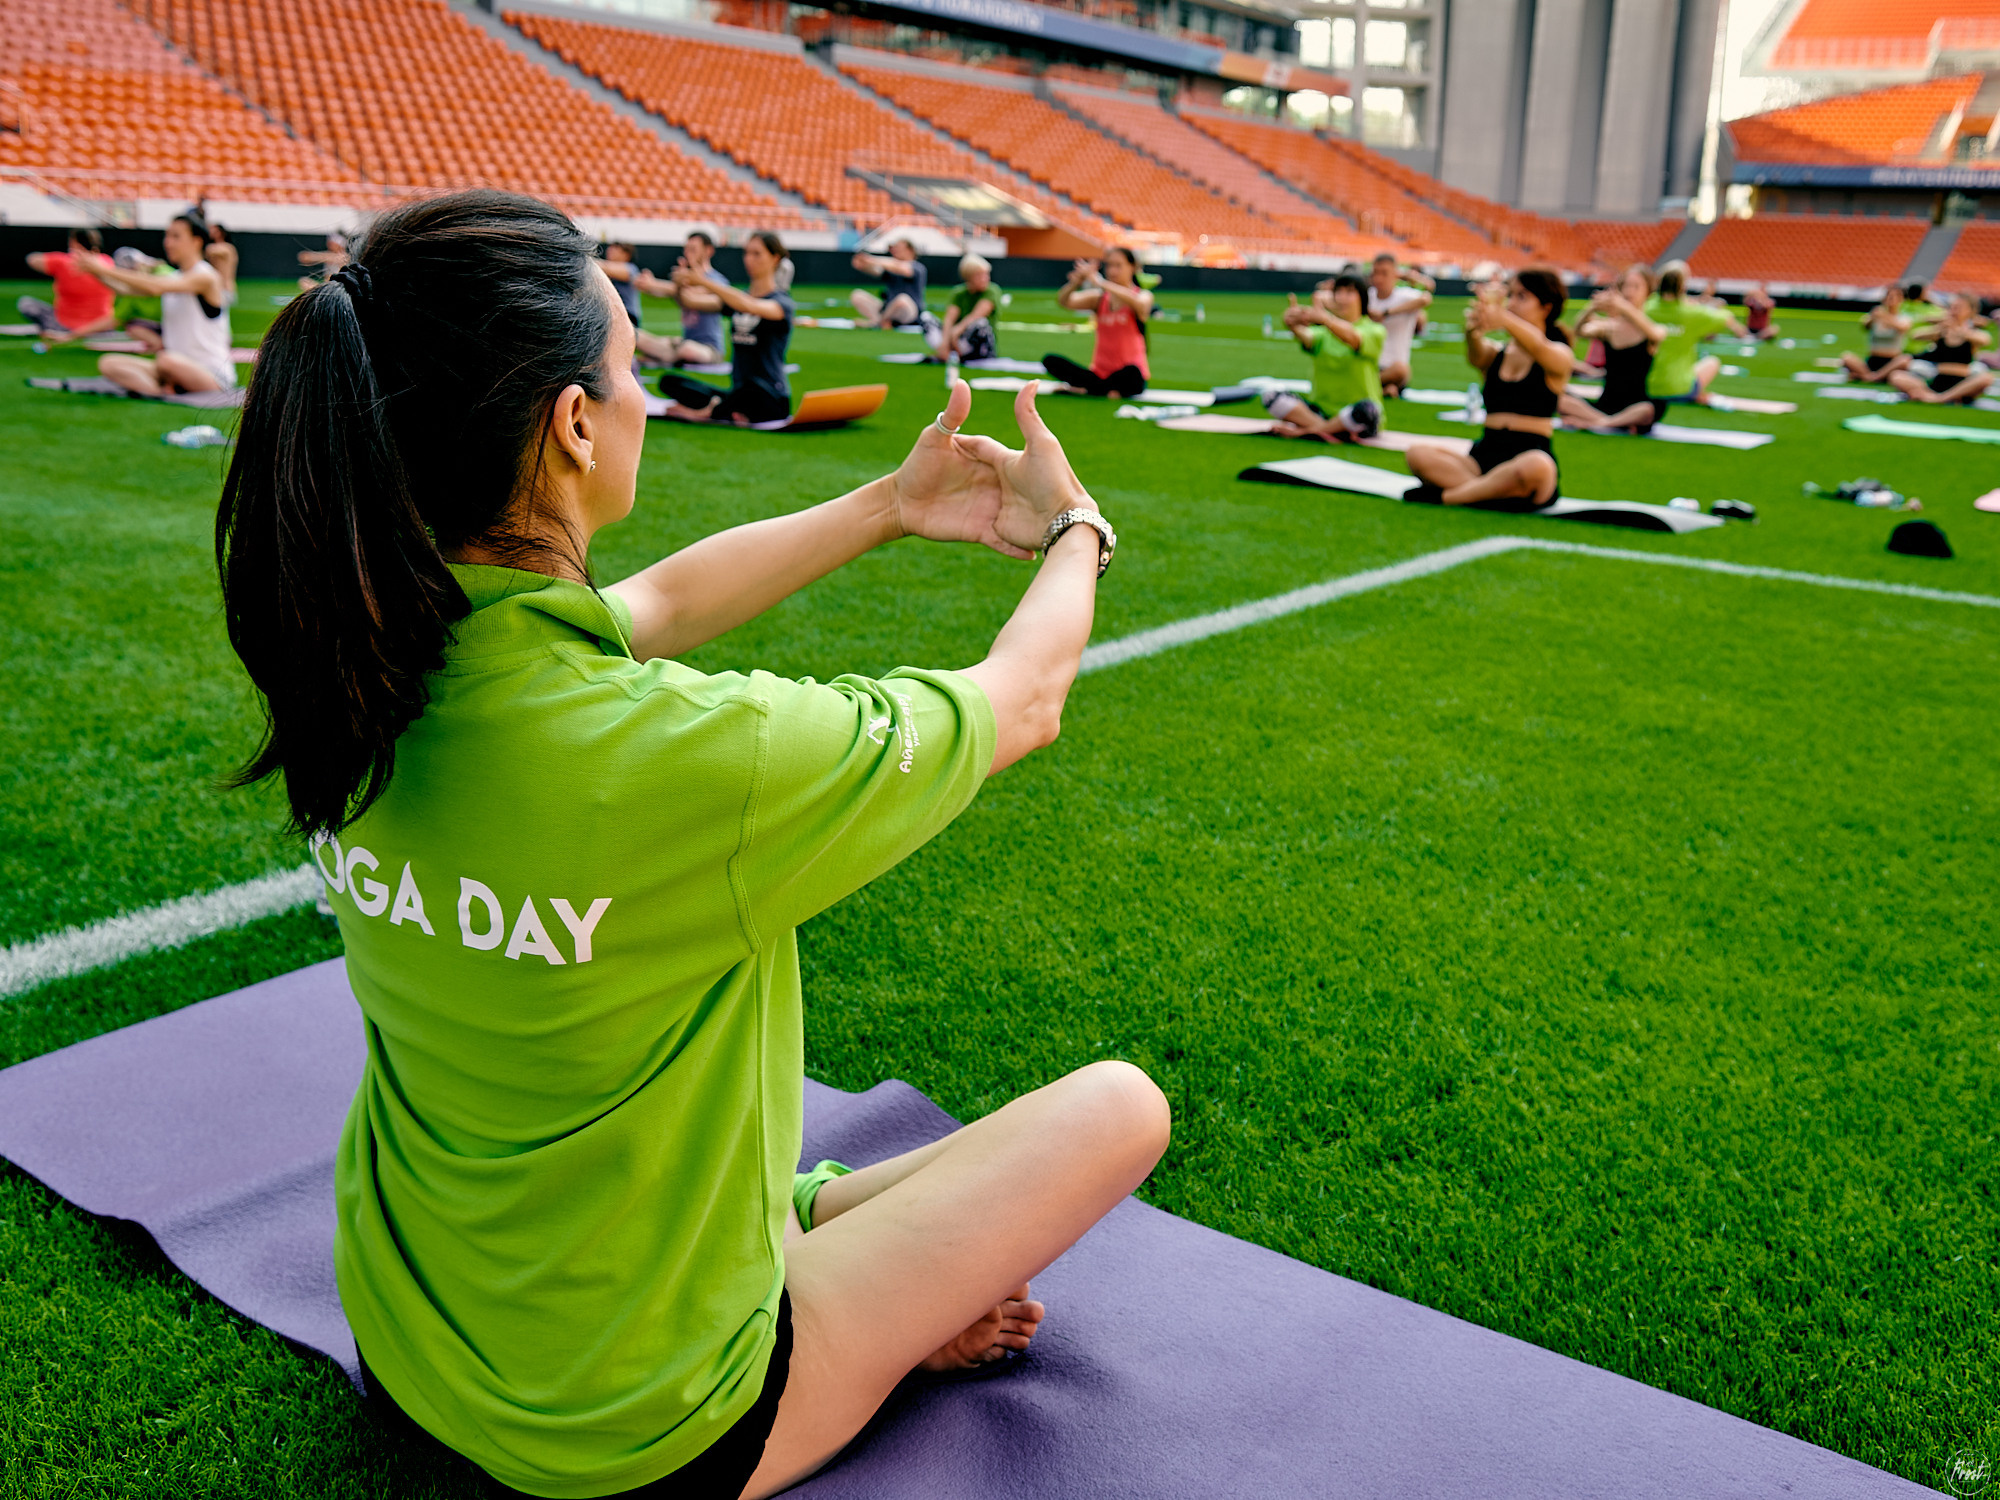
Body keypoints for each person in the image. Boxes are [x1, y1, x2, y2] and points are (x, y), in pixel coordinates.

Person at [214, 185, 1167, 1500]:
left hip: (417, 1346)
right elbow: (1025, 701)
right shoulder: (696, 761)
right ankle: (835, 1278)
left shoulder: (354, 666)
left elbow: (651, 601)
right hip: (634, 1431)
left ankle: (797, 1218)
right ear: (570, 423)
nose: (649, 392)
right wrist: (1076, 530)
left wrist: (891, 506)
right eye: (630, 364)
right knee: (1122, 1108)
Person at [1405, 267, 1573, 510]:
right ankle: (1492, 493)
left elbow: (1537, 346)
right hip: (1484, 456)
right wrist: (1475, 326)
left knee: (1538, 466)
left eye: (1521, 297)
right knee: (1417, 454)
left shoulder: (1558, 353)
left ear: (1546, 308)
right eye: (1511, 295)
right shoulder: (1497, 354)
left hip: (1528, 455)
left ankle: (1449, 497)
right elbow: (1475, 354)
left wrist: (1503, 317)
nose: (1512, 303)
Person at [79, 209, 234, 395]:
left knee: (165, 360)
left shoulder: (205, 277)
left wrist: (105, 269)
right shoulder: (176, 277)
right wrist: (95, 270)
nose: (168, 243)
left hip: (211, 375)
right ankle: (164, 391)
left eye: (176, 237)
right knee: (109, 364)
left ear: (196, 241)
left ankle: (166, 388)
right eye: (167, 236)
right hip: (172, 368)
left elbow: (155, 287)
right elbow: (127, 289)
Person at [657, 230, 795, 427]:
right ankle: (725, 409)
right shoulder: (737, 300)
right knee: (670, 382)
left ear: (775, 258)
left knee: (751, 389)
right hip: (738, 392)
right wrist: (681, 285)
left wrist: (704, 281)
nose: (749, 259)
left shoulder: (781, 303)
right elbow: (690, 301)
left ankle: (708, 412)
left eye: (757, 254)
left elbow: (749, 305)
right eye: (747, 253)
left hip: (769, 396)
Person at [1260, 274, 1383, 442]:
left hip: (1354, 413)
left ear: (1362, 297)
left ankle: (1307, 431)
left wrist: (1326, 319)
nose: (1342, 298)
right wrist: (1291, 323)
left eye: (1349, 292)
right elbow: (1307, 337)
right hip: (1320, 412)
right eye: (1338, 292)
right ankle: (1331, 430)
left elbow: (1353, 339)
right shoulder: (1324, 333)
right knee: (1270, 395)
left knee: (1368, 409)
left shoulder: (1374, 330)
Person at [1556, 265, 1662, 434]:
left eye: (1636, 286)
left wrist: (1622, 307)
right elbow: (1578, 330)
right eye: (1626, 286)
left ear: (1648, 292)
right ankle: (1607, 422)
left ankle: (1600, 423)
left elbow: (1657, 335)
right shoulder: (1609, 328)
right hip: (1605, 404)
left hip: (1634, 406)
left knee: (1648, 409)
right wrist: (1592, 307)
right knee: (1559, 398)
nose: (1630, 291)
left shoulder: (1650, 329)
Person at [1044, 248, 1152, 397]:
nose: (1113, 271)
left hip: (1127, 375)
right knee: (1050, 361)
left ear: (1133, 267)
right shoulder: (1099, 299)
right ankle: (1104, 390)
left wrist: (1101, 282)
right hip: (1100, 373)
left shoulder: (1142, 296)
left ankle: (1088, 389)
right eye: (1110, 265)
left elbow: (1141, 305)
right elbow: (1064, 301)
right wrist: (1075, 283)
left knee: (1133, 374)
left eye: (1118, 265)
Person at [1643, 261, 1742, 409]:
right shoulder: (1691, 312)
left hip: (1645, 388)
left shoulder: (1647, 307)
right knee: (1712, 362)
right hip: (1681, 389)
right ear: (1683, 285)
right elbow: (1726, 317)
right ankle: (1699, 394)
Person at [632, 229, 727, 367]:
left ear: (708, 251)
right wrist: (649, 285)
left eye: (693, 249)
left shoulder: (717, 281)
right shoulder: (683, 279)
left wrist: (657, 284)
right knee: (634, 336)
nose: (688, 253)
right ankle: (665, 356)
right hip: (682, 343)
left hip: (709, 350)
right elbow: (666, 293)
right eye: (687, 249)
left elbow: (692, 296)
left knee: (687, 349)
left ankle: (662, 357)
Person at [1889, 294, 1994, 405]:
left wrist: (1959, 331)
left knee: (1986, 378)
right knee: (1896, 376)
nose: (1954, 311)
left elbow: (1985, 340)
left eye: (1959, 307)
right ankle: (1937, 396)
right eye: (1952, 307)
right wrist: (1939, 328)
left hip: (1962, 381)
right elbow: (1915, 335)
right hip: (1939, 379)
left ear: (1970, 311)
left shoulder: (1972, 333)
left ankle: (1941, 398)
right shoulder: (1942, 331)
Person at [17, 227, 118, 343]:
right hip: (101, 326)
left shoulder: (63, 262)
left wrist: (64, 258)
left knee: (26, 303)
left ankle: (56, 331)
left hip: (66, 325)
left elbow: (32, 259)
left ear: (73, 242)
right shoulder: (108, 261)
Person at [1366, 253, 1433, 398]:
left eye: (1384, 273)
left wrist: (1388, 313)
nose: (1379, 278)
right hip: (1369, 363)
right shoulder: (1367, 296)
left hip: (1392, 368)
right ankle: (1383, 389)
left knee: (1402, 370)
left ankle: (1368, 385)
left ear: (1395, 274)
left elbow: (1427, 296)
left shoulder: (1404, 296)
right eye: (1376, 273)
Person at [1840, 283, 1924, 384]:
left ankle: (1869, 377)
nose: (1891, 299)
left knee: (1905, 360)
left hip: (1891, 361)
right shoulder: (1877, 314)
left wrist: (1884, 316)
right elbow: (1865, 325)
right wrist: (1873, 317)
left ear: (1902, 300)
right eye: (1889, 296)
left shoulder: (1903, 317)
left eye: (1896, 296)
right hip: (1872, 359)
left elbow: (1903, 328)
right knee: (1846, 357)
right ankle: (1872, 376)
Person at [929, 254, 1001, 363]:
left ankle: (964, 354)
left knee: (980, 323)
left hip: (974, 342)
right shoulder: (958, 293)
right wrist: (945, 341)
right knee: (926, 318)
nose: (985, 278)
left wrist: (957, 331)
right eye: (979, 275)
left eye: (986, 274)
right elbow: (949, 319)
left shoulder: (991, 291)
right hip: (957, 341)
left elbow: (977, 314)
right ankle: (946, 352)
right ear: (969, 277)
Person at [850, 238, 929, 330]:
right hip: (888, 308)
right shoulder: (890, 267)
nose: (895, 251)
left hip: (910, 312)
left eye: (899, 248)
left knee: (902, 300)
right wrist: (863, 265)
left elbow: (903, 268)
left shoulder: (917, 267)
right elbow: (876, 271)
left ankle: (877, 323)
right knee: (857, 295)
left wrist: (871, 259)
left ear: (909, 250)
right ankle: (880, 321)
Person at [205, 220, 239, 307]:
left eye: (213, 230)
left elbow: (209, 250)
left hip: (225, 289)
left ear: (220, 233)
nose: (210, 232)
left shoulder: (227, 248)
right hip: (218, 288)